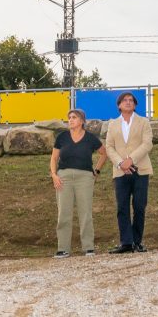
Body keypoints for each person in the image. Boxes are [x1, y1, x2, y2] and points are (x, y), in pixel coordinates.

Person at [49, 109, 108, 258]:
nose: (70, 120)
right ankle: (63, 248)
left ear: (82, 120)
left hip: (85, 178)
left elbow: (104, 153)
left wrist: (97, 171)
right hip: (64, 178)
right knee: (64, 213)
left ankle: (88, 247)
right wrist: (54, 175)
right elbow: (54, 158)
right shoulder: (62, 137)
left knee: (85, 212)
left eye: (74, 117)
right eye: (69, 118)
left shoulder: (90, 138)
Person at [105, 91, 154, 253]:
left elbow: (147, 144)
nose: (128, 102)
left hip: (141, 169)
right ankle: (126, 242)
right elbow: (109, 147)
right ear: (119, 105)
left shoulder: (144, 122)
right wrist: (121, 163)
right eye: (124, 100)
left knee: (140, 206)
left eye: (131, 100)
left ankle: (137, 241)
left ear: (135, 105)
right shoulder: (112, 124)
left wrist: (130, 160)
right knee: (122, 207)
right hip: (120, 171)